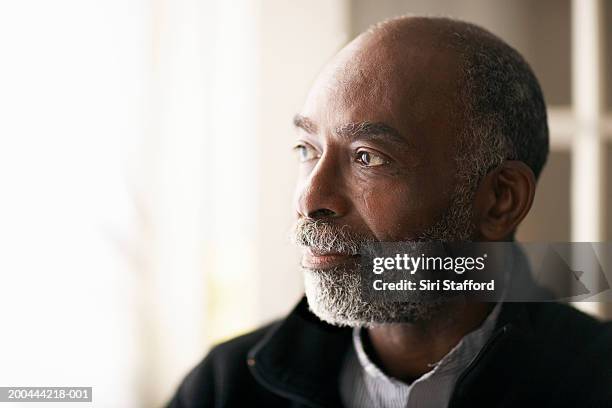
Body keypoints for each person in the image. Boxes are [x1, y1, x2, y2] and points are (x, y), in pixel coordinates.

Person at [168, 16, 612, 407]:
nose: (309, 199)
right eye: (307, 148)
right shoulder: (226, 387)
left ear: (500, 199)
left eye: (368, 157)